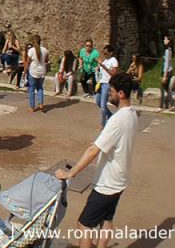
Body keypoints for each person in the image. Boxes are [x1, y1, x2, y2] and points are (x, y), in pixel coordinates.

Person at [55, 72, 139, 248]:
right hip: (120, 180)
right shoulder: (132, 115)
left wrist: (70, 173)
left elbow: (94, 150)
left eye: (112, 91)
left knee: (84, 224)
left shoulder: (117, 120)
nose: (109, 94)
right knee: (107, 219)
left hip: (107, 184)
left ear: (121, 94)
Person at [96, 45, 119, 127]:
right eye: (103, 53)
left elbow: (114, 74)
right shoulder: (105, 60)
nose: (104, 55)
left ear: (111, 52)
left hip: (107, 84)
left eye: (106, 53)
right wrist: (98, 68)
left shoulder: (114, 61)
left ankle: (103, 123)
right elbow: (102, 71)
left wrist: (103, 66)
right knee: (98, 101)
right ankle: (111, 116)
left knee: (103, 105)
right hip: (101, 83)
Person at [25, 34, 49, 112]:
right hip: (42, 71)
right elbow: (46, 61)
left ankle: (32, 107)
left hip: (33, 72)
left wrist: (24, 71)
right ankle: (41, 104)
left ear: (32, 42)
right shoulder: (45, 50)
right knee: (40, 88)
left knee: (31, 89)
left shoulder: (31, 50)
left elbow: (28, 62)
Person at [159, 35, 174, 111]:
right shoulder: (170, 50)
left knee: (162, 88)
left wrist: (164, 76)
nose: (163, 40)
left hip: (167, 71)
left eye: (165, 39)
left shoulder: (167, 51)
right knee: (167, 89)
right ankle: (172, 106)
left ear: (168, 41)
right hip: (169, 71)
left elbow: (167, 64)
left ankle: (161, 107)